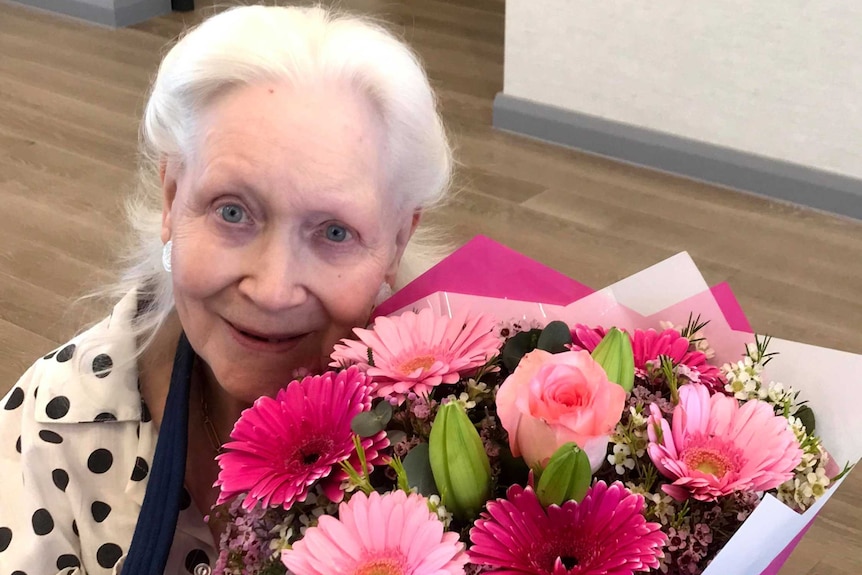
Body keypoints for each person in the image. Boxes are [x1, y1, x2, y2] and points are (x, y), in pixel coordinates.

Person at [0, 4, 452, 574]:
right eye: (232, 212)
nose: (271, 289)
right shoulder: (54, 427)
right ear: (171, 198)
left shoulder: (458, 427)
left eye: (335, 232)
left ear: (396, 241)